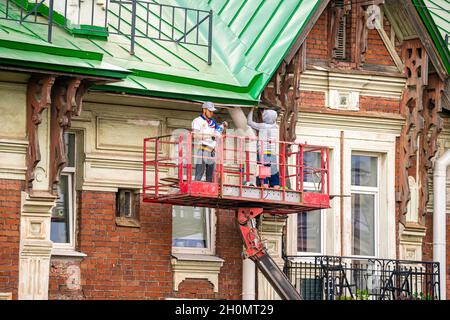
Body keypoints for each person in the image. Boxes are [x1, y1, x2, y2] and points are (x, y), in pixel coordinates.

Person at [191, 101, 227, 182]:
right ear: (204, 110)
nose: (211, 113)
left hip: (212, 149)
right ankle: (196, 187)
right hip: (202, 148)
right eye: (210, 111)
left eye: (212, 111)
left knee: (210, 175)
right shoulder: (197, 121)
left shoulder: (212, 121)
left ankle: (209, 189)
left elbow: (218, 133)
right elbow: (195, 135)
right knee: (199, 173)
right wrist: (210, 135)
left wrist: (224, 127)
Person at [247, 107, 280, 188]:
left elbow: (249, 122)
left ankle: (264, 185)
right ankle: (275, 187)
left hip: (263, 152)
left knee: (263, 172)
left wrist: (251, 110)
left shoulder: (262, 126)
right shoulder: (276, 127)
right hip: (272, 153)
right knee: (273, 172)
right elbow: (272, 118)